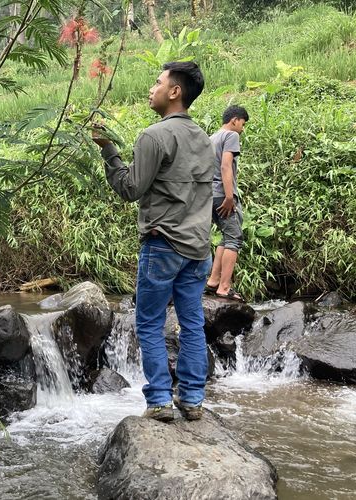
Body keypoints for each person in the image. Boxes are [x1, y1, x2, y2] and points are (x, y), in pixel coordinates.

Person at [92, 61, 215, 422]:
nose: (152, 88)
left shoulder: (153, 136)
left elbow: (130, 188)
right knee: (192, 323)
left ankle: (160, 399)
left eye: (157, 82)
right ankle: (192, 400)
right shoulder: (205, 139)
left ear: (174, 91)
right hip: (198, 248)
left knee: (148, 322)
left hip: (162, 245)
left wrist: (107, 150)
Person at [205, 106, 249, 302]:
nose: (242, 128)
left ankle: (213, 282)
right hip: (223, 194)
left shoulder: (211, 138)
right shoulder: (230, 136)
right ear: (234, 120)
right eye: (243, 124)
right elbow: (225, 165)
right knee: (234, 239)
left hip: (208, 195)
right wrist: (229, 196)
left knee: (226, 236)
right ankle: (224, 287)